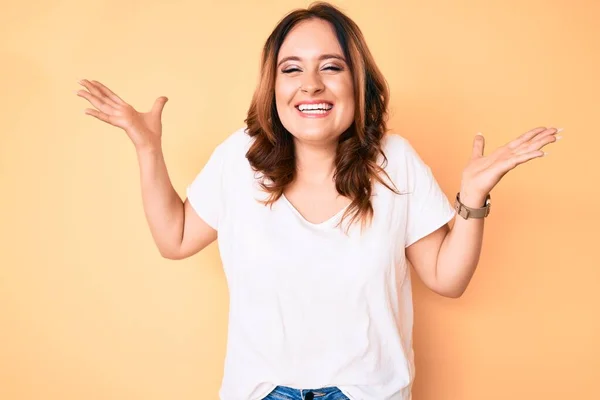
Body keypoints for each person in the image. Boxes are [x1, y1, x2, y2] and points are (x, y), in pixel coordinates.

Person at [75, 2, 561, 399]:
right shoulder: (240, 157)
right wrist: (147, 148)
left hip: (369, 393)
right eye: (292, 69)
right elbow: (175, 238)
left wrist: (472, 198)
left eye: (331, 67)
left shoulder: (394, 159)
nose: (311, 84)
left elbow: (447, 279)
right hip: (259, 392)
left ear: (358, 83)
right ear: (274, 86)